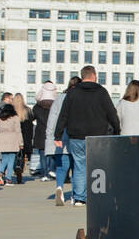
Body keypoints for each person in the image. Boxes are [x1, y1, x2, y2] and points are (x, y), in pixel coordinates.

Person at [54, 66, 119, 207]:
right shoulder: (102, 92)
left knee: (79, 166)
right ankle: (98, 195)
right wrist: (117, 131)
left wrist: (57, 135)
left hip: (76, 136)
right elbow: (111, 113)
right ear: (94, 76)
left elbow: (63, 115)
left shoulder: (72, 93)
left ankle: (79, 198)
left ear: (82, 76)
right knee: (99, 166)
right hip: (98, 136)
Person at [48, 77, 81, 204]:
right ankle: (75, 194)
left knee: (61, 167)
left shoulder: (59, 98)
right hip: (75, 136)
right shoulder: (78, 98)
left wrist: (50, 136)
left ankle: (59, 187)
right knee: (76, 167)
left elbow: (52, 118)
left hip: (60, 137)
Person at [32, 82, 58, 178]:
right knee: (52, 154)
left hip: (40, 132)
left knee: (42, 155)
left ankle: (44, 174)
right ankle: (51, 170)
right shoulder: (56, 105)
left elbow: (32, 117)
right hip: (52, 132)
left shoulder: (37, 107)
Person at [0, 105, 23, 186]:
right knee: (11, 160)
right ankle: (8, 179)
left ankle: (1, 172)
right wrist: (21, 143)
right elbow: (18, 131)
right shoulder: (15, 118)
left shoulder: (0, 118)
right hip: (12, 139)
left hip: (2, 138)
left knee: (4, 158)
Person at [12, 93, 34, 182]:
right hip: (26, 135)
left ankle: (15, 170)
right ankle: (20, 170)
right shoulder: (27, 110)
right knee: (23, 155)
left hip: (14, 136)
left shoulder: (12, 111)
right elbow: (32, 120)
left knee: (13, 155)